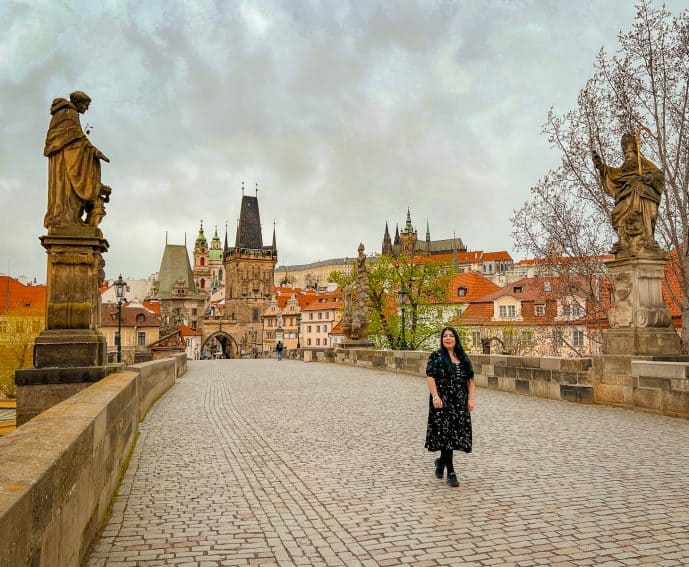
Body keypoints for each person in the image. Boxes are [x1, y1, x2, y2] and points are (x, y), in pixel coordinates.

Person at [43, 91, 111, 232]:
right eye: (86, 105)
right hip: (66, 161)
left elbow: (75, 137)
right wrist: (94, 151)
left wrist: (91, 149)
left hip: (66, 157)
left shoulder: (64, 113)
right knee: (67, 190)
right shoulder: (69, 113)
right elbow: (77, 137)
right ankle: (66, 219)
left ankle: (69, 218)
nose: (86, 109)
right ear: (80, 102)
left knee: (66, 191)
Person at [592, 133, 664, 256]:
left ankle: (646, 240)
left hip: (643, 197)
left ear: (635, 151)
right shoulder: (624, 168)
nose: (627, 157)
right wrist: (600, 166)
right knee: (616, 214)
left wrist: (645, 178)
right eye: (625, 154)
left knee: (643, 208)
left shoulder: (646, 165)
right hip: (625, 197)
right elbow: (614, 175)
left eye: (629, 154)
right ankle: (624, 241)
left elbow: (659, 177)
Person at [425, 326, 475, 487]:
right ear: (441, 339)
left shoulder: (462, 357)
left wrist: (471, 399)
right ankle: (451, 472)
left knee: (454, 435)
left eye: (451, 336)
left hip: (459, 401)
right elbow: (430, 377)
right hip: (442, 401)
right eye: (445, 336)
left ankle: (440, 462)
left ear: (456, 339)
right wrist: (435, 396)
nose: (447, 338)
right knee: (445, 435)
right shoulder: (436, 356)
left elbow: (470, 380)